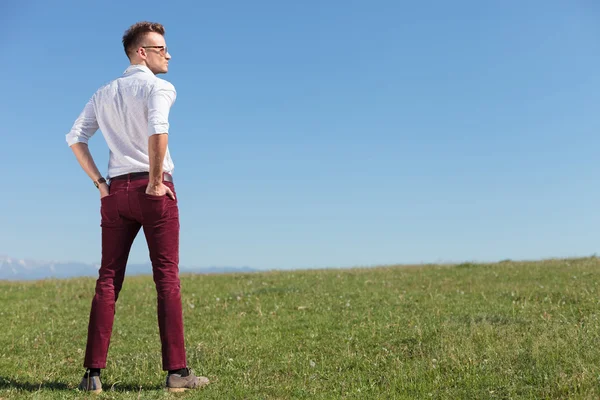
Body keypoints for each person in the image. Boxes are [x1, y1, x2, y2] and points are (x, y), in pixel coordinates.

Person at [65, 21, 208, 393]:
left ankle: (91, 376)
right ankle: (177, 373)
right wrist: (158, 182)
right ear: (141, 52)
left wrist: (100, 184)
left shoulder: (103, 93)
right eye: (161, 49)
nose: (169, 55)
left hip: (115, 193)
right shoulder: (159, 87)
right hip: (152, 189)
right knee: (167, 279)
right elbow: (158, 130)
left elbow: (75, 138)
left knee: (107, 280)